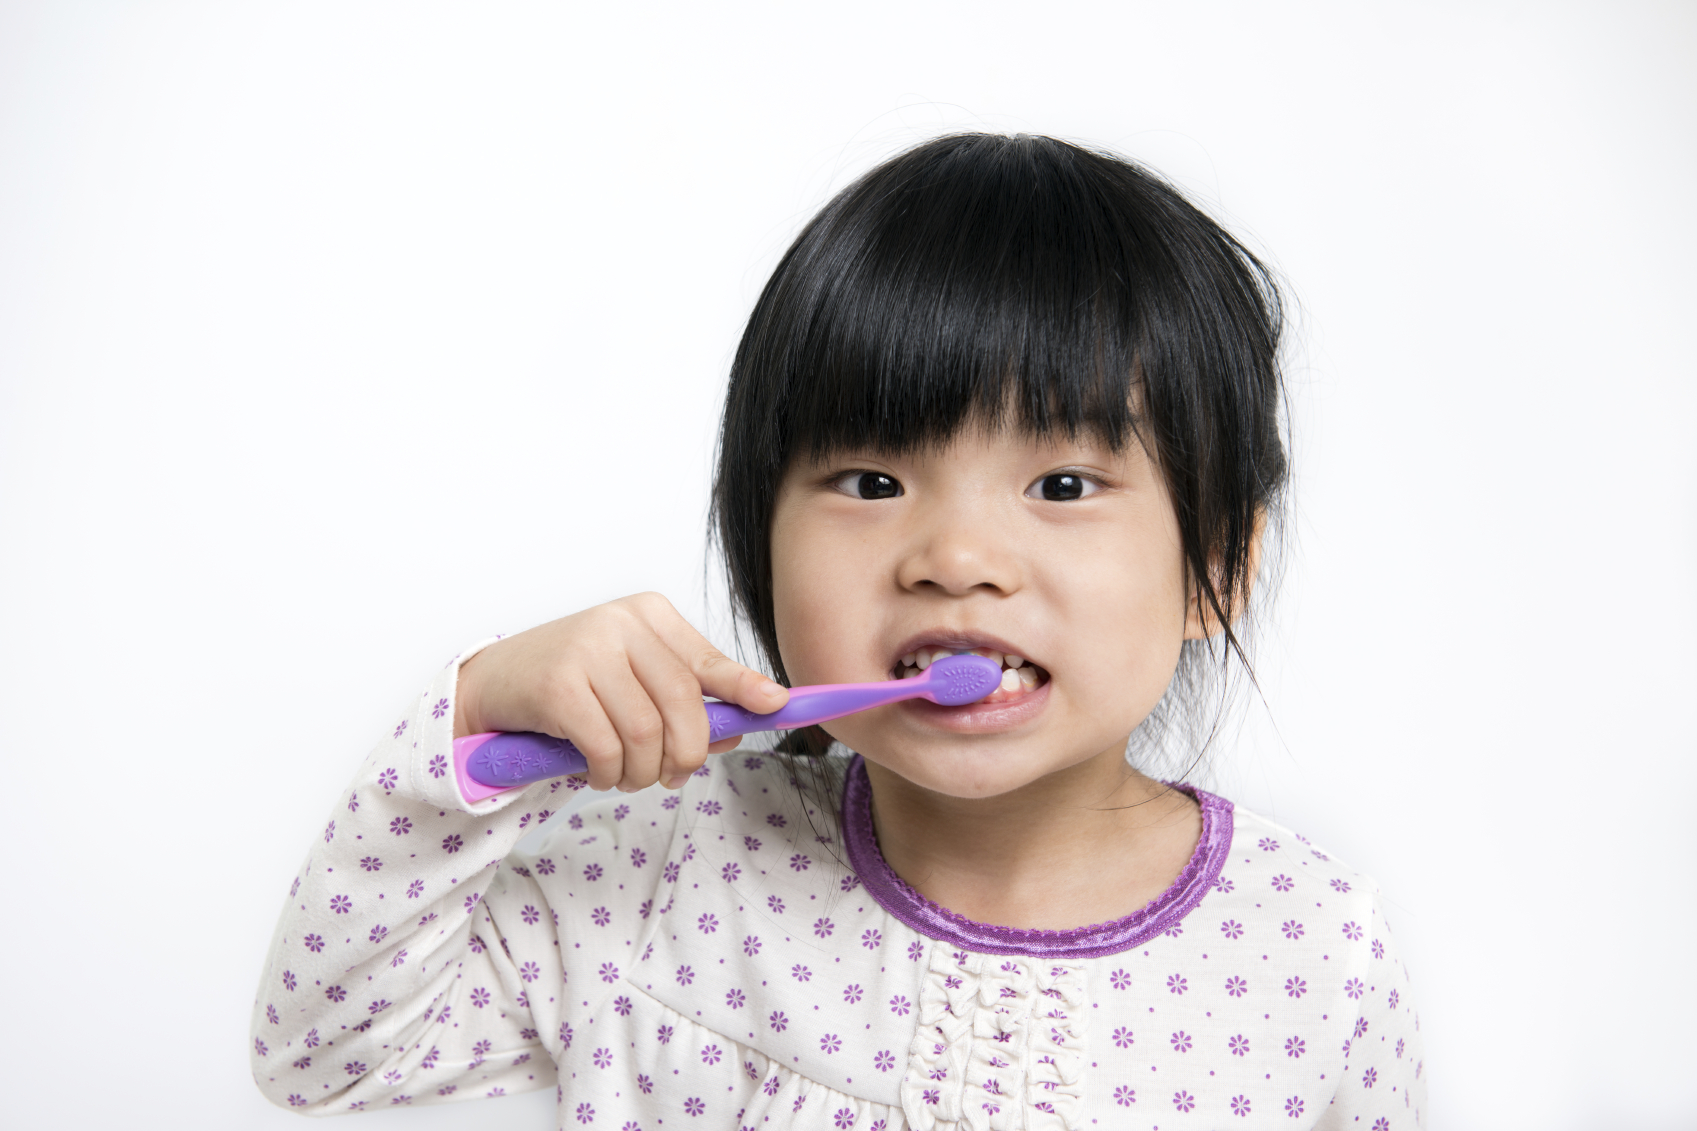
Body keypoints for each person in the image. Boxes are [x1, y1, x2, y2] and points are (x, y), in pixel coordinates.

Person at [250, 133, 1424, 1129]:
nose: (955, 558)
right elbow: (322, 1055)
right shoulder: (662, 864)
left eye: (1062, 485)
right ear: (759, 540)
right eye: (868, 481)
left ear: (1215, 563)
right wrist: (479, 711)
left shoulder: (1311, 958)